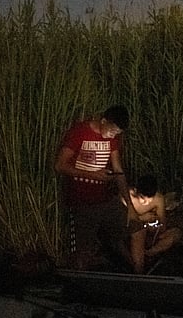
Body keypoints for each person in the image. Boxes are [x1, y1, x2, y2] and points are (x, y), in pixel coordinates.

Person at [54, 105, 130, 269]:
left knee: (132, 228)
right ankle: (81, 276)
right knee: (82, 249)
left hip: (104, 199)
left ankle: (136, 270)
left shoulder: (112, 139)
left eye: (117, 133)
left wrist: (129, 204)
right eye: (112, 131)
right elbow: (60, 165)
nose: (113, 136)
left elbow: (118, 170)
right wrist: (93, 175)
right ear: (103, 121)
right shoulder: (80, 131)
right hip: (81, 200)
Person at [122, 174, 183, 274]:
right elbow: (122, 222)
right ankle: (139, 270)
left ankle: (149, 253)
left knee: (176, 234)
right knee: (139, 232)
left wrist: (154, 225)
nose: (146, 202)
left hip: (152, 237)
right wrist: (142, 219)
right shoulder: (126, 198)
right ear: (136, 191)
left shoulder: (158, 199)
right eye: (142, 198)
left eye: (150, 198)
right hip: (132, 234)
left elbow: (162, 226)